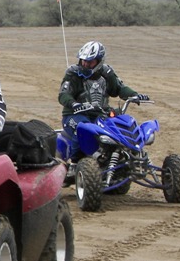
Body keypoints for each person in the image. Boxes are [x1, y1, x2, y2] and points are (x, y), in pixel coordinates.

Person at [58, 40, 150, 171]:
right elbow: (63, 94)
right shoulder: (73, 73)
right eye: (83, 60)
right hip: (75, 115)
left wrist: (135, 95)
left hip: (100, 114)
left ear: (99, 61)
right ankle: (74, 164)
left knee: (121, 125)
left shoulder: (106, 73)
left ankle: (123, 158)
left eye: (90, 62)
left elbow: (119, 88)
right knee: (82, 128)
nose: (85, 64)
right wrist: (74, 104)